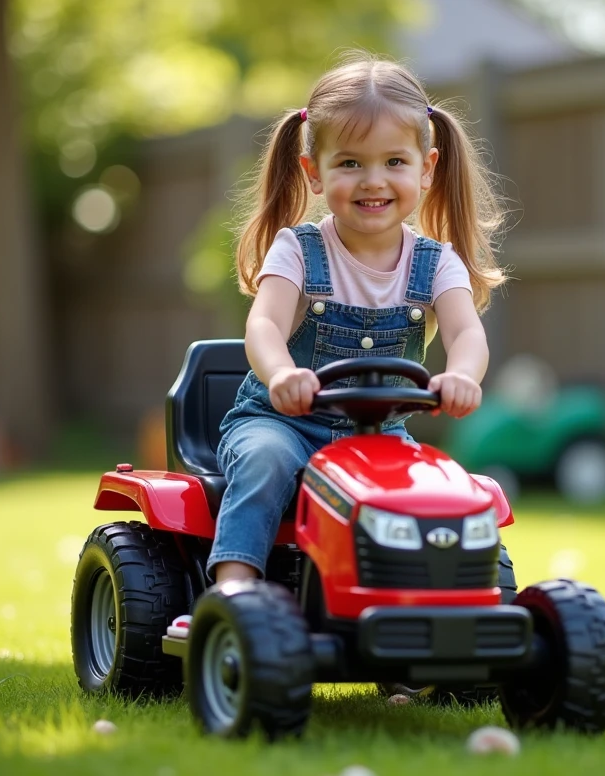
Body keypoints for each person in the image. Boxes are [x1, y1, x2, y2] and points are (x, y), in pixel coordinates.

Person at [209, 51, 507, 584]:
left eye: (394, 162)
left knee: (441, 490)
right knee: (265, 461)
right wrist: (281, 374)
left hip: (382, 436)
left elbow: (467, 334)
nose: (373, 180)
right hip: (284, 424)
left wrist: (462, 376)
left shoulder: (437, 262)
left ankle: (450, 593)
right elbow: (264, 326)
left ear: (427, 168)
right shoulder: (297, 250)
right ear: (314, 174)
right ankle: (235, 588)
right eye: (350, 163)